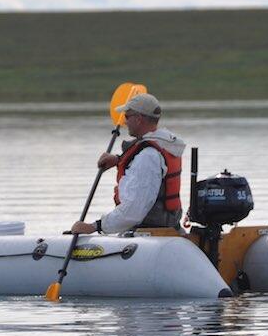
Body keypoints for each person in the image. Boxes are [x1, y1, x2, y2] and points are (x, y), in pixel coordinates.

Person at [71, 93, 185, 235]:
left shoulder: (148, 157)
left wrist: (95, 227)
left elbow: (133, 211)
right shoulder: (163, 145)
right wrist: (119, 160)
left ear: (138, 119)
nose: (125, 122)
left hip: (149, 234)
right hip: (166, 229)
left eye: (127, 116)